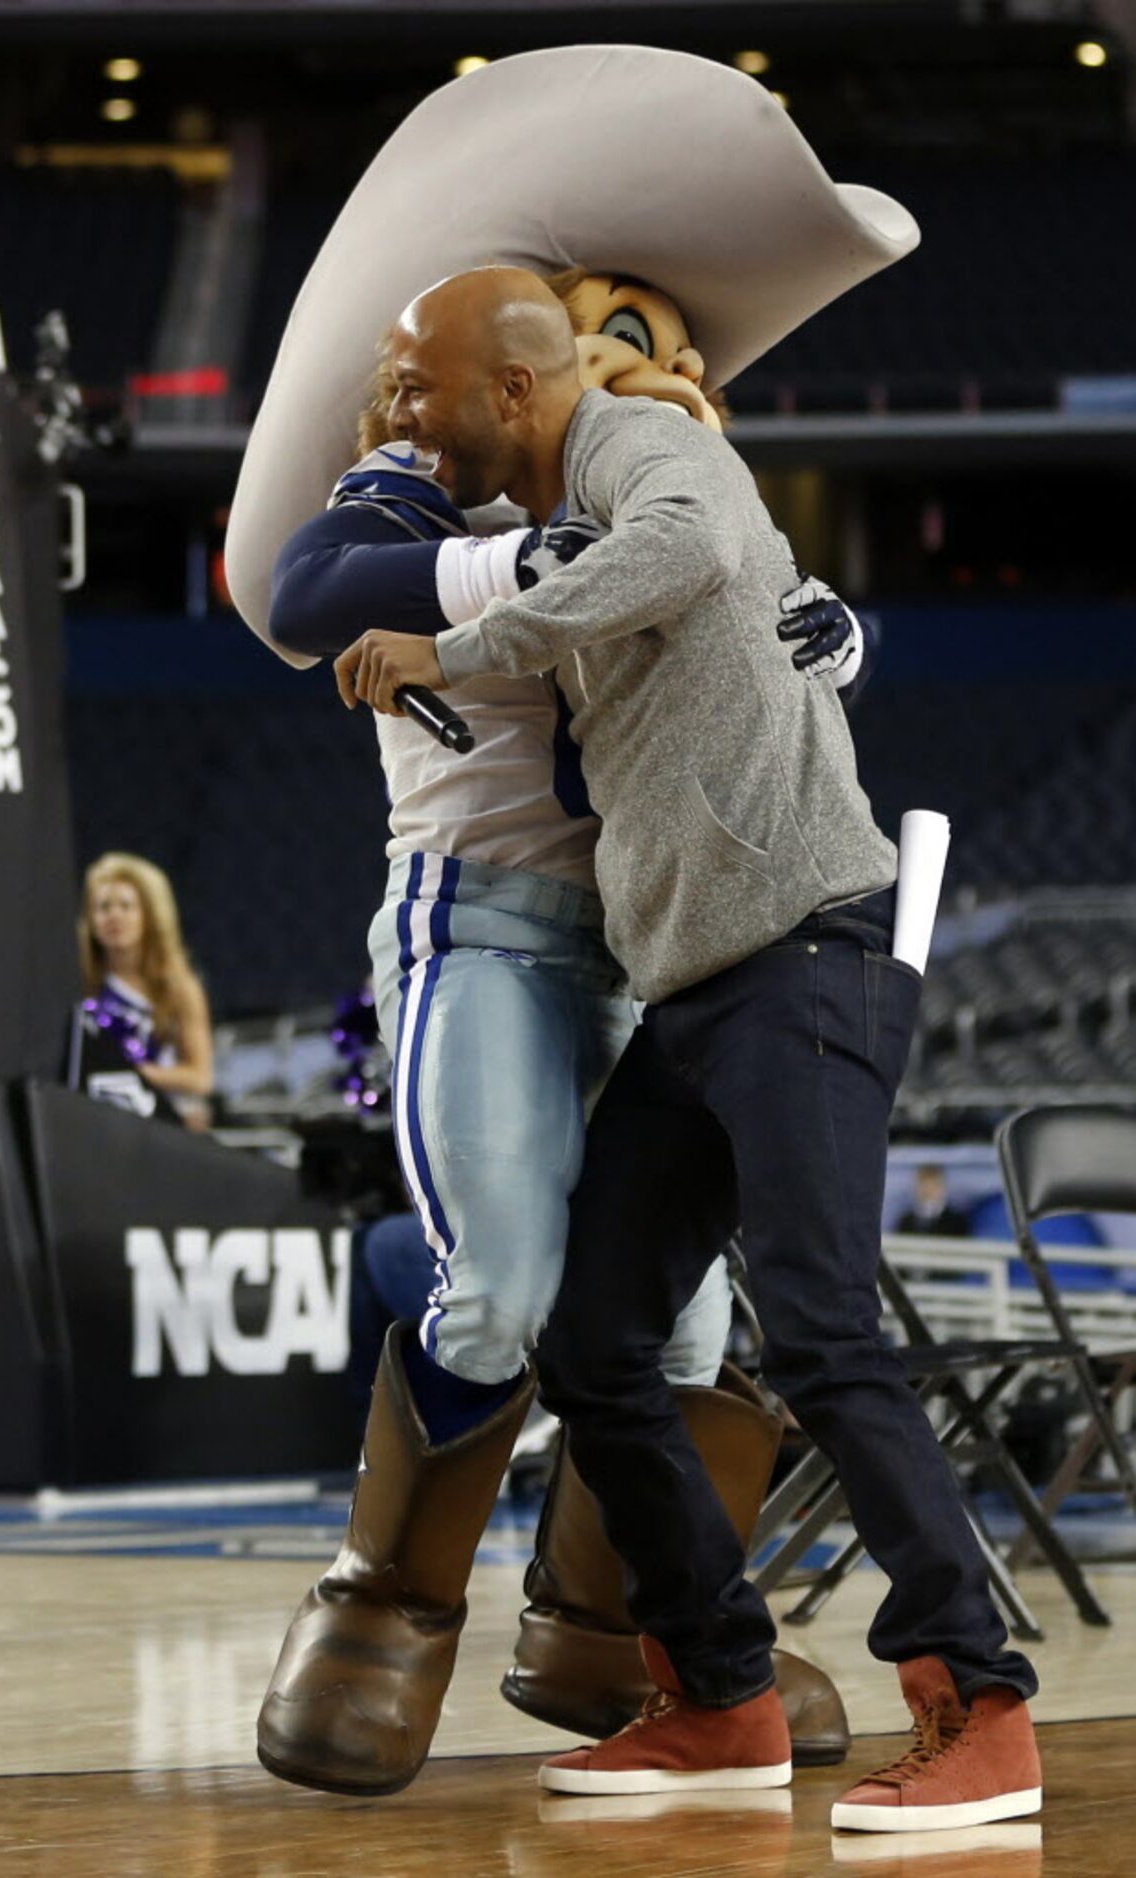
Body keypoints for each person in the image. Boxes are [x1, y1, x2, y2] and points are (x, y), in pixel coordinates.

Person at [340, 266, 1040, 1835]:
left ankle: (977, 1703)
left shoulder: (649, 451)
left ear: (516, 393)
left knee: (818, 1329)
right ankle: (718, 1695)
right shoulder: (558, 493)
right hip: (701, 990)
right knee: (592, 1335)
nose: (399, 406)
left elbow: (692, 545)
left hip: (807, 953)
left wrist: (460, 645)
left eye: (420, 380)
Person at [251, 272, 864, 1798]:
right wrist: (525, 559)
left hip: (653, 942)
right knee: (503, 1290)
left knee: (687, 1329)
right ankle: (382, 1606)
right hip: (484, 915)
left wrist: (826, 629)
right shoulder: (416, 488)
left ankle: (628, 1626)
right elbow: (311, 591)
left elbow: (743, 625)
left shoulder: (649, 494)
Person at [71, 853, 213, 1127]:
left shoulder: (180, 988)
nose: (114, 917)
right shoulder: (78, 982)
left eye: (126, 906)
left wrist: (131, 1073)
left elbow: (201, 1078)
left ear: (151, 914)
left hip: (157, 1119)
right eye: (103, 907)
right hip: (92, 1117)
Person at [896, 1163, 973, 1238]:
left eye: (933, 1186)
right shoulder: (905, 1221)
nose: (928, 1191)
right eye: (924, 1187)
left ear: (943, 1188)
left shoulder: (957, 1222)